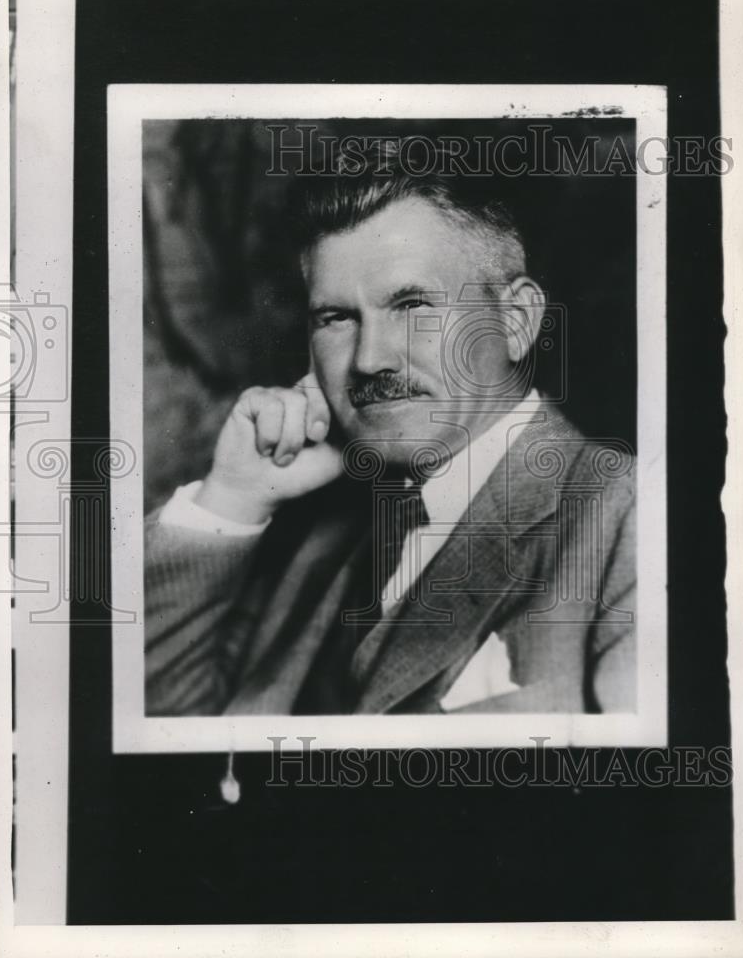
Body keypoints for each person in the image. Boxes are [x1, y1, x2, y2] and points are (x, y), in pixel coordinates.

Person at [144, 143, 635, 716]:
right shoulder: (317, 536)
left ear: (517, 319)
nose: (369, 360)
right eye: (336, 318)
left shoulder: (630, 519)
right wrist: (234, 497)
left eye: (412, 305)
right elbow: (169, 733)